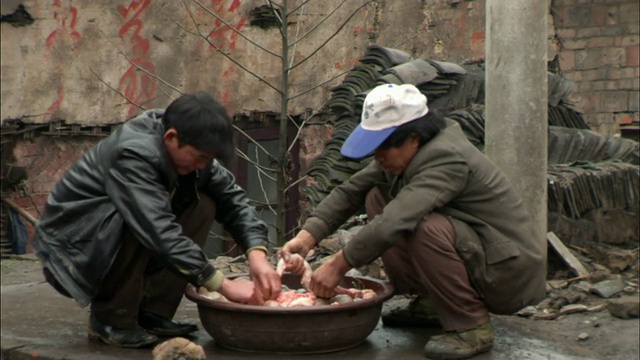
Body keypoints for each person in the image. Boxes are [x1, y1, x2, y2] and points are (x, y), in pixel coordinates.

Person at [280, 84, 547, 359]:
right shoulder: (404, 156)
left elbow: (396, 220)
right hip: (479, 254)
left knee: (419, 225)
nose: (378, 157)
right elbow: (351, 191)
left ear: (414, 138)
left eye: (384, 147)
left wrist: (339, 264)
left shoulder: (446, 157)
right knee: (376, 196)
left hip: (508, 273)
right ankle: (431, 303)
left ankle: (472, 326)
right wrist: (307, 237)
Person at [33, 92, 281, 348]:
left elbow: (233, 199)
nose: (202, 166)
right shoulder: (132, 153)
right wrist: (223, 285)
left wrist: (257, 254)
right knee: (139, 221)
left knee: (204, 205)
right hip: (74, 251)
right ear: (171, 138)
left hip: (116, 237)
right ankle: (111, 319)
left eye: (207, 160)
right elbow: (157, 230)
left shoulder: (193, 144)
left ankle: (152, 311)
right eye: (198, 158)